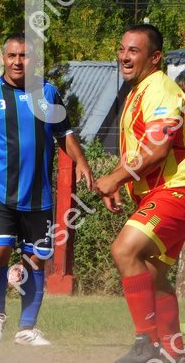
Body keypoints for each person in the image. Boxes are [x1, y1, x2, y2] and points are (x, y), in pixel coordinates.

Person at [0, 32, 92, 347]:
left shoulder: (48, 93)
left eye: (24, 56)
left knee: (35, 260)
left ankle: (26, 329)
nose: (18, 61)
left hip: (37, 197)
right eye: (12, 55)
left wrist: (82, 162)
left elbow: (65, 134)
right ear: (3, 59)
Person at [94, 24, 185, 363]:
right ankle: (174, 351)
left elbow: (158, 149)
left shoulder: (160, 88)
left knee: (124, 249)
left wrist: (115, 179)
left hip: (176, 190)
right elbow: (138, 149)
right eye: (122, 49)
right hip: (159, 193)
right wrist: (122, 180)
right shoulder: (138, 91)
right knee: (153, 275)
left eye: (133, 50)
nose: (124, 56)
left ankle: (146, 342)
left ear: (155, 57)